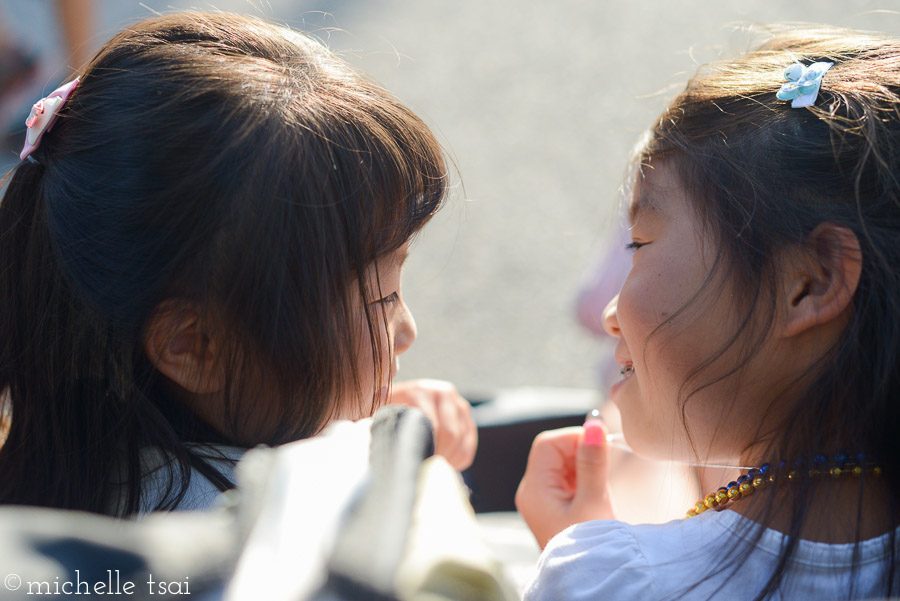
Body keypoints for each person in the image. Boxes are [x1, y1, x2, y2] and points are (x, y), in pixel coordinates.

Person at [0, 12, 476, 517]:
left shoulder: (86, 471)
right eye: (381, 299)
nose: (406, 331)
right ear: (193, 345)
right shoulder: (266, 544)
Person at [516, 26, 900, 601]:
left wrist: (586, 565)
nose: (611, 313)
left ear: (810, 281)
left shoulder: (615, 578)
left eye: (639, 245)